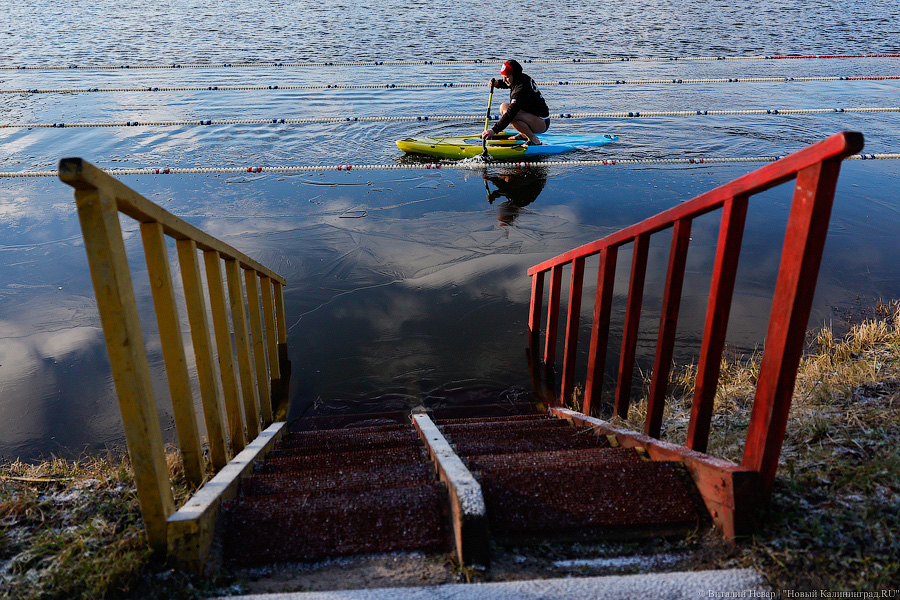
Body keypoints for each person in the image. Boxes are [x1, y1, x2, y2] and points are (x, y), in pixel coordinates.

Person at [481, 60, 550, 146]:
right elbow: (509, 83)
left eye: (506, 77)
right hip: (532, 116)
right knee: (504, 107)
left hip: (541, 122)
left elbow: (510, 114)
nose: (504, 80)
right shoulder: (521, 78)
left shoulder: (521, 89)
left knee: (511, 115)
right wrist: (497, 83)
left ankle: (534, 140)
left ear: (514, 75)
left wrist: (494, 130)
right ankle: (525, 134)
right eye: (503, 77)